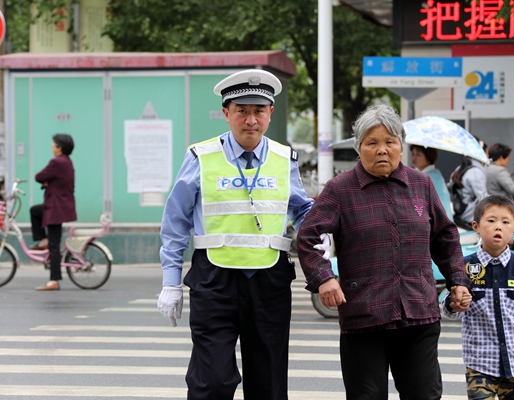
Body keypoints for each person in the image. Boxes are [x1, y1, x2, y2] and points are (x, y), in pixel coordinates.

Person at [157, 69, 314, 400]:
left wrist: (319, 231)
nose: (251, 120)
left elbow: (301, 209)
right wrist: (171, 282)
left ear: (270, 113)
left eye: (259, 111)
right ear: (226, 113)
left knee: (269, 386)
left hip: (269, 281)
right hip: (214, 280)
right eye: (242, 110)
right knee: (211, 382)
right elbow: (175, 221)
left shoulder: (285, 159)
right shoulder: (201, 157)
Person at [297, 104, 472, 400]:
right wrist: (323, 277)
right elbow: (308, 235)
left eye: (390, 142)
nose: (382, 150)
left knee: (425, 395)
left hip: (418, 312)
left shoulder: (422, 184)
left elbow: (445, 236)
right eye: (372, 143)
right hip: (364, 315)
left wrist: (458, 280)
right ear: (358, 148)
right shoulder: (339, 189)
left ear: (401, 146)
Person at [442, 195, 514, 400]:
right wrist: (454, 304)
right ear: (476, 226)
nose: (498, 227)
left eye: (505, 222)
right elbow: (448, 310)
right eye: (491, 221)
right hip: (479, 364)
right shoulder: (464, 266)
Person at [31, 134, 77, 291]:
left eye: (54, 144)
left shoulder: (57, 162)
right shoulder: (67, 162)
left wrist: (46, 181)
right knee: (35, 211)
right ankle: (42, 239)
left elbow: (39, 176)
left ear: (60, 147)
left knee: (54, 246)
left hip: (56, 208)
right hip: (60, 206)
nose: (52, 146)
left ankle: (54, 280)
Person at [411, 144, 453, 220]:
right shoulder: (436, 173)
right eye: (413, 154)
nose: (414, 157)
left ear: (428, 157)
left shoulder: (427, 177)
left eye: (418, 154)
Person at [448, 155, 488, 230]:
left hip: (459, 213)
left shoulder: (460, 168)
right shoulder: (476, 172)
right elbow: (483, 198)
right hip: (470, 216)